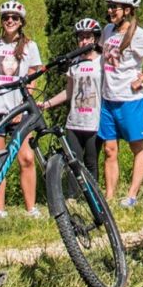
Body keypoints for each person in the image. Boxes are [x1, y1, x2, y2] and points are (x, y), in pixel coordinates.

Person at [98, 0, 143, 208]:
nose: (111, 11)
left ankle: (131, 195)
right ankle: (109, 197)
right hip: (108, 98)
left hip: (130, 100)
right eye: (109, 7)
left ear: (127, 10)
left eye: (115, 8)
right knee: (109, 150)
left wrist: (142, 78)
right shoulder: (108, 30)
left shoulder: (138, 34)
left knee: (137, 147)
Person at [0, 0, 43, 217]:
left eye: (14, 18)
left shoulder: (29, 45)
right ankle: (0, 209)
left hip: (18, 110)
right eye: (6, 17)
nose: (10, 21)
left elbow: (34, 74)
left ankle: (31, 207)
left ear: (21, 21)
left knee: (26, 158)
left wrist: (27, 103)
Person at [39, 17, 103, 177]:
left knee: (91, 163)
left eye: (87, 37)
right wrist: (47, 104)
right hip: (74, 121)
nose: (83, 41)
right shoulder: (74, 62)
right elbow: (69, 91)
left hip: (94, 122)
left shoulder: (102, 62)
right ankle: (73, 197)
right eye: (80, 37)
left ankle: (93, 198)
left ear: (94, 38)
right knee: (74, 162)